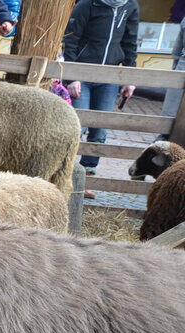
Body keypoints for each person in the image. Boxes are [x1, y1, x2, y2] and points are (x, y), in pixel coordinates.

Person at [63, 0, 140, 197]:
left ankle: (86, 179)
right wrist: (72, 76)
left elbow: (130, 43)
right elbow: (71, 40)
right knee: (77, 127)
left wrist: (129, 77)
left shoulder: (130, 6)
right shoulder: (87, 4)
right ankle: (65, 177)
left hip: (109, 77)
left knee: (100, 131)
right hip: (83, 74)